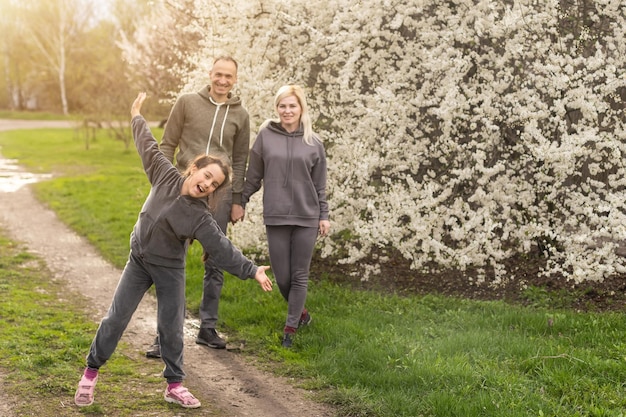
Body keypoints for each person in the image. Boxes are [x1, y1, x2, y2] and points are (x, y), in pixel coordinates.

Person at [74, 92, 272, 409]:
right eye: (207, 175)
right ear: (195, 168)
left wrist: (251, 269)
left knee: (171, 328)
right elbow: (148, 145)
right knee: (116, 319)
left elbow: (222, 248)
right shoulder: (164, 174)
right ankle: (90, 373)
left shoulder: (200, 216)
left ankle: (174, 385)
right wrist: (136, 114)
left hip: (169, 269)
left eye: (214, 185)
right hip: (139, 261)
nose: (207, 184)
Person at [145, 56, 250, 357]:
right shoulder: (187, 102)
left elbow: (241, 159)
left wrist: (237, 199)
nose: (222, 80)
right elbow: (167, 143)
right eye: (218, 74)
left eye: (228, 76)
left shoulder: (240, 115)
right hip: (182, 188)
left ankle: (208, 327)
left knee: (215, 259)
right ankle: (163, 338)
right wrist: (163, 180)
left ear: (235, 79)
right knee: (169, 260)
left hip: (219, 195)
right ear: (210, 74)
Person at [241, 84, 330, 348]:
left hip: (307, 216)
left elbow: (320, 185)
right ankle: (302, 314)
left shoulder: (314, 143)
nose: (287, 111)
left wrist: (323, 215)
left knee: (300, 274)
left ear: (301, 108)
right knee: (282, 276)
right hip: (276, 215)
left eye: (292, 106)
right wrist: (241, 200)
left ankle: (290, 329)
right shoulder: (266, 135)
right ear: (277, 108)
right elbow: (253, 175)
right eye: (282, 106)